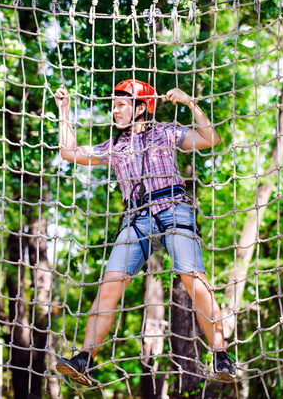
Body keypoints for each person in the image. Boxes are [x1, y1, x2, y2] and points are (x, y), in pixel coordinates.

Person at [54, 80, 236, 386]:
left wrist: (190, 102)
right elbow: (69, 152)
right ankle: (84, 357)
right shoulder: (114, 147)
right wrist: (64, 111)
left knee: (192, 278)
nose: (115, 110)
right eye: (114, 105)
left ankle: (221, 353)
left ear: (141, 108)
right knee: (109, 285)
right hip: (136, 218)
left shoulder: (164, 132)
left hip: (172, 207)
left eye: (122, 104)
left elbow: (210, 138)